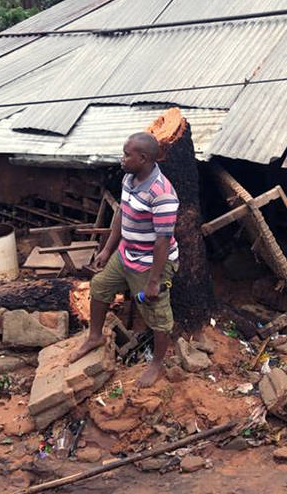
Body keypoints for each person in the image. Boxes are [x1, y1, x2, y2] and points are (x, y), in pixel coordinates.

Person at [72, 132, 179, 388]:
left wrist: (154, 281)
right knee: (100, 287)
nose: (122, 159)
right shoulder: (129, 178)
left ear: (143, 158)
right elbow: (122, 212)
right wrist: (108, 250)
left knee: (157, 315)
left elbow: (163, 241)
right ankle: (95, 336)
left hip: (152, 262)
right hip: (126, 253)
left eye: (127, 154)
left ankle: (157, 364)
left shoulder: (162, 193)